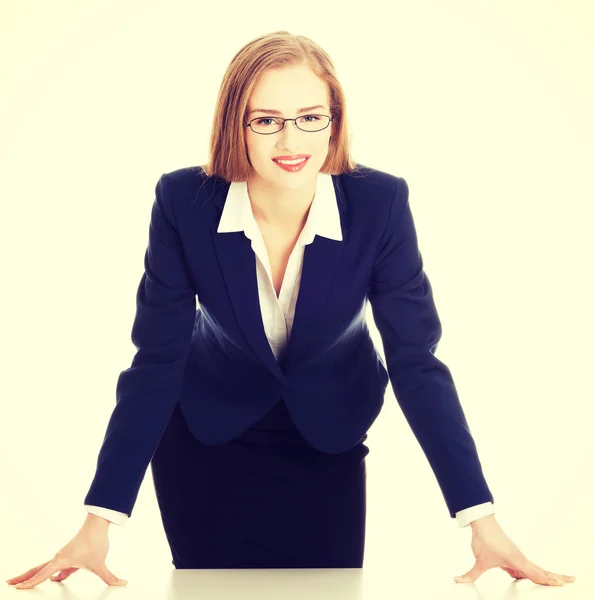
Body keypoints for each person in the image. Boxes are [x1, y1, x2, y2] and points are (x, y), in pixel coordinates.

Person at [7, 30, 575, 589]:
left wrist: (480, 518)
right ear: (237, 123)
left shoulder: (379, 204)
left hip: (327, 437)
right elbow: (157, 360)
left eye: (310, 117)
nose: (290, 140)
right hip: (206, 441)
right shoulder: (184, 201)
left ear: (334, 118)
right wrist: (98, 520)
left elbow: (416, 361)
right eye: (266, 120)